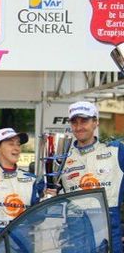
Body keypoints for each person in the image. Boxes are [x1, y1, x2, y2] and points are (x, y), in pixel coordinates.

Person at [56, 101, 124, 252]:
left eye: (84, 121)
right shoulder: (61, 158)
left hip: (108, 227)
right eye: (74, 122)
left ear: (96, 122)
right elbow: (49, 192)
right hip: (75, 230)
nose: (79, 127)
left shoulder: (116, 150)